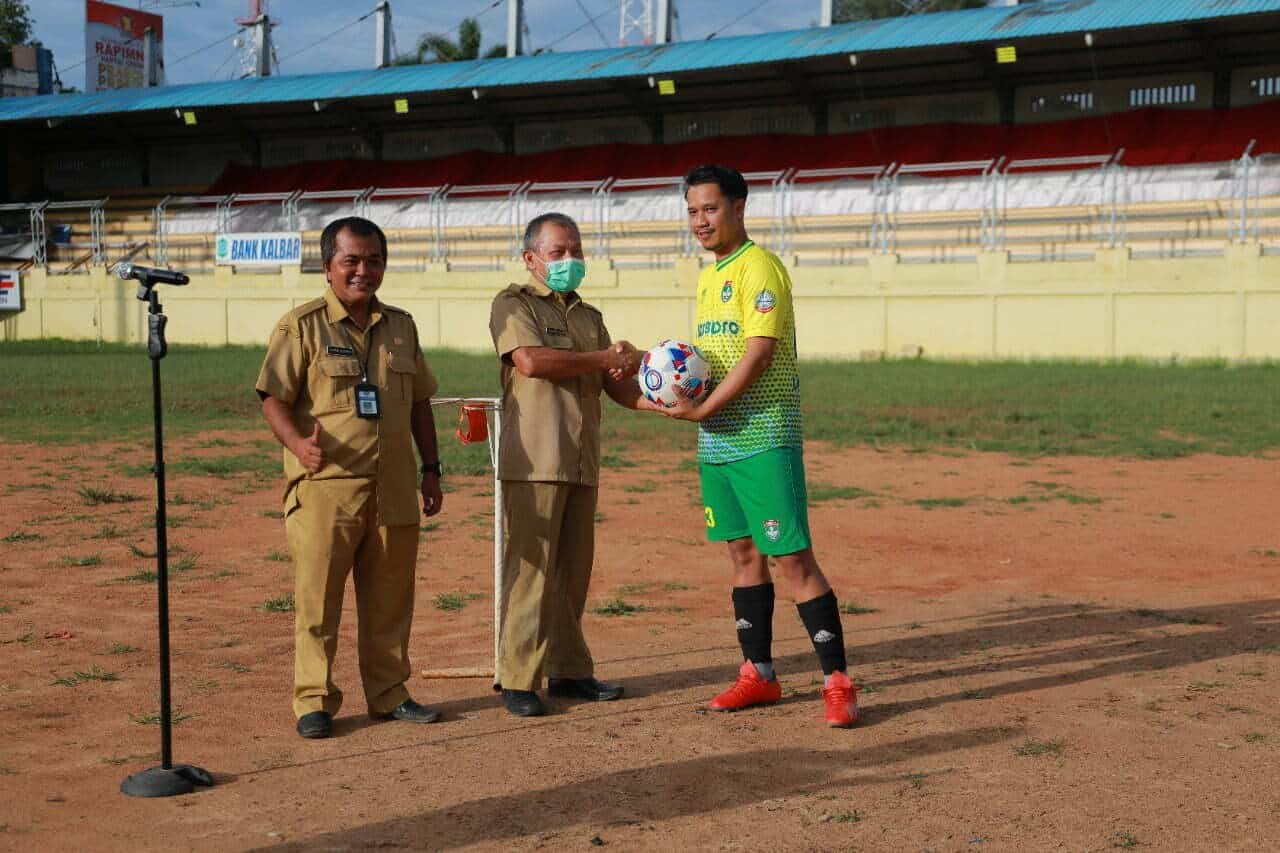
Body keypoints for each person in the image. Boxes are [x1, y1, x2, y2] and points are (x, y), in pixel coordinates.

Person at [649, 164, 860, 728]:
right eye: (692, 211)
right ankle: (758, 676)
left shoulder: (759, 267)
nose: (700, 221)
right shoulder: (708, 275)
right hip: (717, 441)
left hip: (763, 433)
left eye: (710, 209)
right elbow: (714, 355)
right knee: (742, 556)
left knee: (791, 557)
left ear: (739, 207)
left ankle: (837, 683)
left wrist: (703, 408)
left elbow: (759, 351)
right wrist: (673, 385)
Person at [255, 216, 446, 739]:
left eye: (374, 260)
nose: (364, 271)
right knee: (319, 601)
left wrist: (431, 470)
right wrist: (297, 446)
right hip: (326, 490)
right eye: (352, 261)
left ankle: (389, 693)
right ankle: (314, 701)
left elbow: (421, 403)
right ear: (328, 267)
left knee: (390, 601)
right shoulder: (302, 326)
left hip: (393, 489)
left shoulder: (401, 326)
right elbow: (273, 397)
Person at [487, 212, 644, 717]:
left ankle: (569, 670)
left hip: (579, 459)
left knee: (573, 573)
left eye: (576, 251)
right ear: (532, 259)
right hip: (535, 460)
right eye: (558, 253)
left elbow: (615, 385)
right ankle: (516, 678)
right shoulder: (514, 304)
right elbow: (532, 361)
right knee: (532, 571)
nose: (570, 261)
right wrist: (603, 359)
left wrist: (665, 387)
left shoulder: (588, 316)